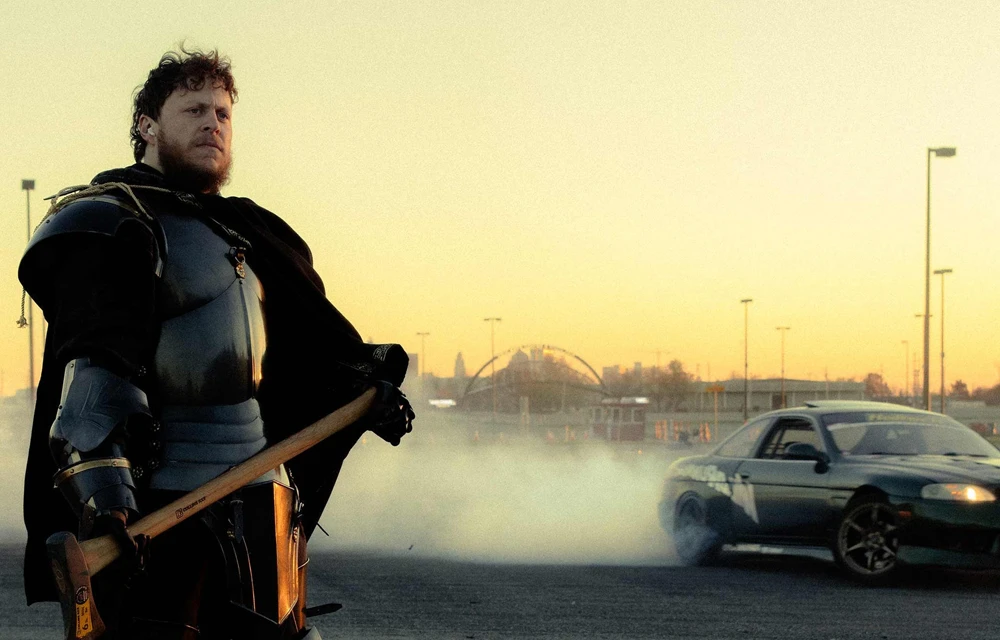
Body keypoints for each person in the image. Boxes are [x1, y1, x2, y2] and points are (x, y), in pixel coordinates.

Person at [19, 48, 414, 639]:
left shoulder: (247, 232)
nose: (213, 123)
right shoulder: (114, 220)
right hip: (163, 506)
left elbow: (304, 354)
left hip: (266, 502)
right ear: (146, 126)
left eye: (223, 113)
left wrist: (364, 389)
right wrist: (107, 505)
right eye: (194, 109)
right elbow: (96, 372)